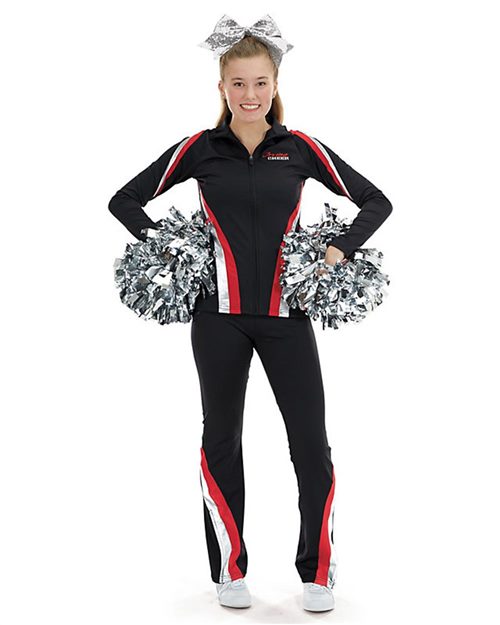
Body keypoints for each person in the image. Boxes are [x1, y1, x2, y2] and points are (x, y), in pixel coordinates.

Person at [108, 14, 393, 613]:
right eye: (238, 83)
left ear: (275, 84)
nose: (249, 94)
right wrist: (167, 245)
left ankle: (317, 574)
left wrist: (339, 248)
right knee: (222, 439)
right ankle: (229, 571)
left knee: (310, 444)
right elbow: (124, 200)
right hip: (219, 320)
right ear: (222, 87)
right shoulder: (199, 149)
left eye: (260, 82)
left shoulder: (301, 148)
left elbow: (375, 200)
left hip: (288, 317)